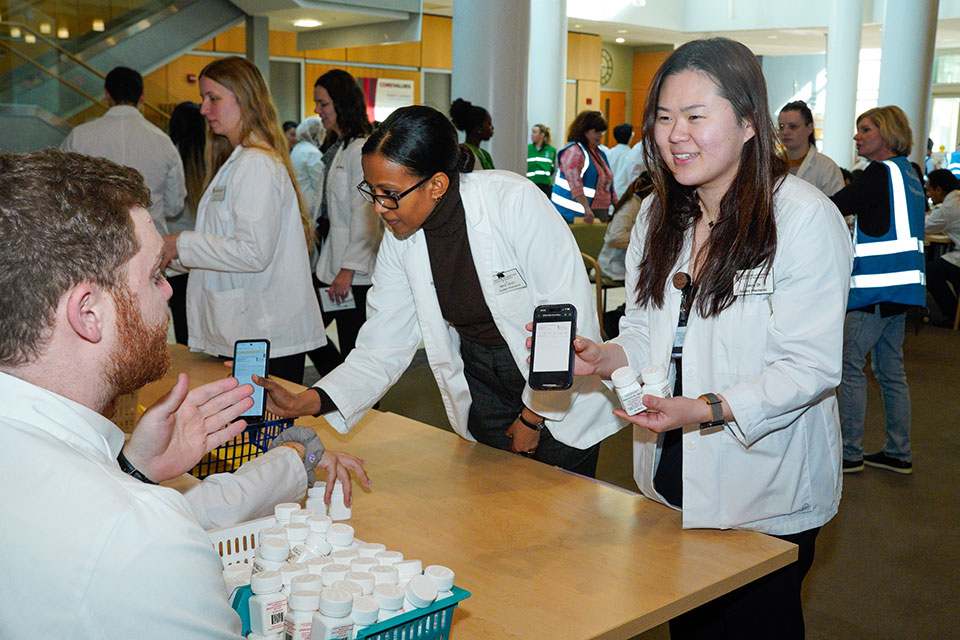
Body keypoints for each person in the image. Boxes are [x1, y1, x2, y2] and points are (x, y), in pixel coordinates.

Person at [0, 149, 368, 639]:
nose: (169, 292)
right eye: (155, 275)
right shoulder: (145, 543)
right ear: (88, 313)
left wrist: (134, 471)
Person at [568, 38, 852, 638]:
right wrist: (606, 357)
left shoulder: (802, 219)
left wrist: (707, 409)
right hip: (672, 474)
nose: (676, 135)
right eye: (665, 118)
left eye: (696, 117)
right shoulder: (660, 214)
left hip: (764, 486)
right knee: (689, 625)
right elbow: (647, 330)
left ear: (750, 122)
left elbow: (810, 366)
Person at [256, 105, 622, 477]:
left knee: (560, 509)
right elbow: (383, 344)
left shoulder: (514, 203)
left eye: (390, 193)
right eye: (372, 191)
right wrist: (308, 399)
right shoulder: (402, 236)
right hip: (482, 378)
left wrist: (531, 418)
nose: (380, 207)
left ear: (436, 185)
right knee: (497, 505)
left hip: (557, 383)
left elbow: (563, 323)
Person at [160, 56, 326, 385]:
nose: (204, 110)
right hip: (249, 329)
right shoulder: (239, 161)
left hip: (263, 332)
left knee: (259, 435)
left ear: (244, 99)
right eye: (202, 99)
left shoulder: (256, 164)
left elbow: (252, 251)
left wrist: (180, 243)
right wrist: (169, 258)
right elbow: (223, 246)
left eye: (213, 99)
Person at [831, 105, 926, 476]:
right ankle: (898, 451)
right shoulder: (911, 173)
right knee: (891, 371)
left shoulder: (876, 175)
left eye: (865, 130)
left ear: (885, 133)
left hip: (873, 290)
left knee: (850, 367)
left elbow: (835, 205)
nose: (858, 136)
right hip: (903, 290)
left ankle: (849, 451)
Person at [309, 69, 382, 373]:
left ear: (342, 104)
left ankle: (364, 409)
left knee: (356, 349)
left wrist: (347, 270)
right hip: (331, 265)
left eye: (323, 104)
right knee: (309, 331)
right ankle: (339, 390)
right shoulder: (340, 148)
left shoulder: (360, 150)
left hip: (353, 275)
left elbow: (365, 216)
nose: (317, 111)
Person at [61, 66, 185, 236]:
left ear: (107, 95)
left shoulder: (78, 136)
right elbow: (174, 207)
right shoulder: (163, 140)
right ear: (142, 96)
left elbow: (64, 193)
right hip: (150, 240)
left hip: (95, 242)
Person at [166, 101, 207, 345]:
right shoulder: (211, 157)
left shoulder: (169, 153)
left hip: (177, 253)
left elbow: (171, 206)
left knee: (182, 319)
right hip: (204, 251)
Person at [551, 110, 617, 224]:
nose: (600, 135)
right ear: (584, 131)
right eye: (596, 131)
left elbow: (608, 181)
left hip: (597, 211)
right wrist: (586, 208)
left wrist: (617, 203)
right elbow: (574, 183)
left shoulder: (598, 153)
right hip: (573, 214)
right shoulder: (574, 152)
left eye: (601, 132)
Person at [777, 100, 844, 196]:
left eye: (793, 126)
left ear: (809, 128)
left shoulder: (827, 168)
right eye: (781, 126)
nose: (785, 132)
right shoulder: (772, 164)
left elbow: (838, 208)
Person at [598, 172, 653, 283]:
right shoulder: (630, 206)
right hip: (613, 265)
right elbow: (615, 236)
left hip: (624, 262)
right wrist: (642, 237)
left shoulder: (638, 204)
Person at [924, 169, 960, 325]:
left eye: (929, 190)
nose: (928, 194)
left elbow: (921, 227)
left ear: (938, 190)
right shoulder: (956, 199)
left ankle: (952, 313)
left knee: (929, 271)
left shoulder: (947, 209)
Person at [290, 116, 326, 218]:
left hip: (300, 203)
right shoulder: (312, 153)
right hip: (310, 207)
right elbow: (320, 185)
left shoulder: (298, 148)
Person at [450, 98, 495, 170]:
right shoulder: (464, 154)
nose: (492, 128)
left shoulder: (485, 155)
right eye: (489, 124)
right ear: (478, 128)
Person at [526, 122, 557, 198]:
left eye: (534, 132)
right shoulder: (527, 148)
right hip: (530, 185)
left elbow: (553, 168)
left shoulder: (551, 150)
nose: (531, 135)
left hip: (546, 186)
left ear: (542, 135)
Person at [607, 122, 635, 198]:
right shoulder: (633, 154)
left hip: (610, 193)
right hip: (625, 194)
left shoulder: (609, 153)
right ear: (630, 138)